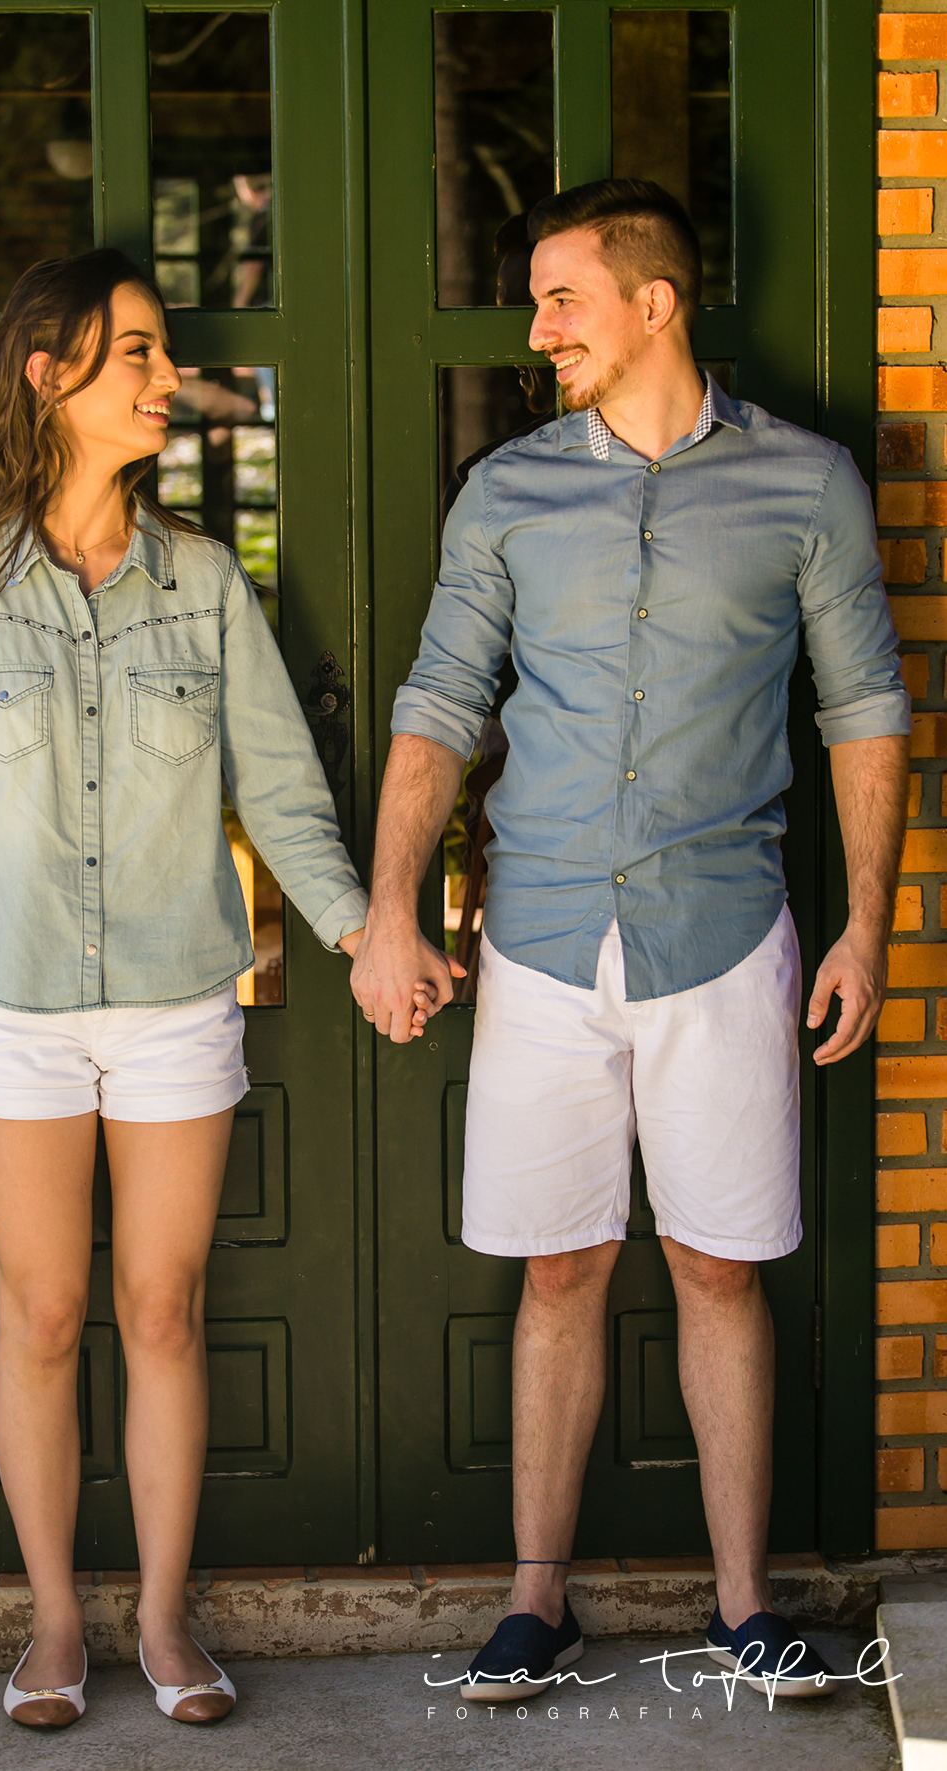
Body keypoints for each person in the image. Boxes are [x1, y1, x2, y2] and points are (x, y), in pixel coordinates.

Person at [350, 180, 909, 1701]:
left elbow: (864, 709)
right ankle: (536, 1604)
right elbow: (438, 703)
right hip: (537, 936)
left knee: (719, 1272)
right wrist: (391, 906)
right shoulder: (507, 493)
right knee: (560, 1269)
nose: (537, 331)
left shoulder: (807, 485)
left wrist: (864, 927)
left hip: (722, 935)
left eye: (562, 300)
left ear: (654, 303)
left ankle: (742, 1609)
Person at [0, 248, 387, 1731]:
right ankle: (48, 1624)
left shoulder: (203, 582)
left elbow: (281, 792)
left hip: (173, 1004)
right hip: (14, 1003)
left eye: (160, 351)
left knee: (162, 1311)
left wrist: (363, 936)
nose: (166, 378)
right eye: (137, 352)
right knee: (41, 1314)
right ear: (49, 373)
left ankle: (160, 1617)